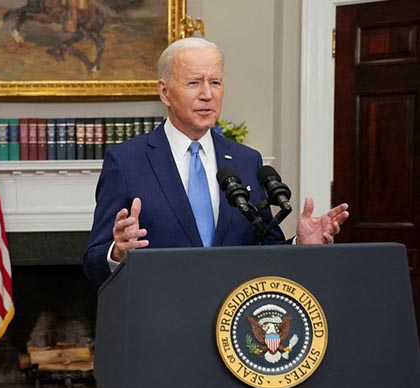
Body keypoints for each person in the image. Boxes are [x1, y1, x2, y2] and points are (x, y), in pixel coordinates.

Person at [83, 38, 349, 286]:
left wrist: (300, 245)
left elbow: (267, 249)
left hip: (235, 323)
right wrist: (117, 251)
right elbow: (93, 261)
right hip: (162, 322)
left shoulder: (247, 161)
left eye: (216, 83)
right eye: (194, 83)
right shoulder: (126, 161)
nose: (207, 94)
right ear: (164, 93)